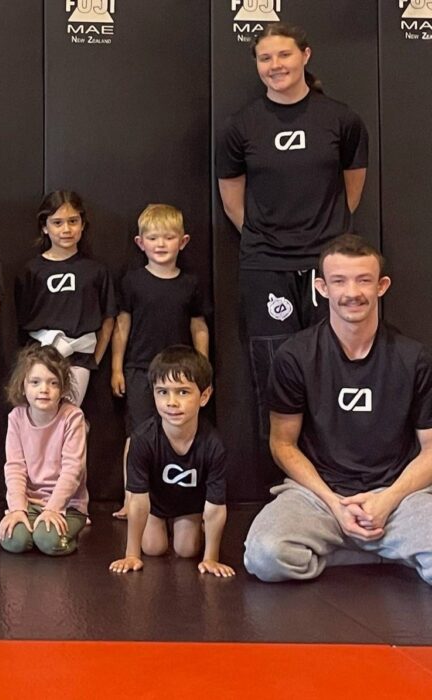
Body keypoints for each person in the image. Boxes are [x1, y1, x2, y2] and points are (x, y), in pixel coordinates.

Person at [244, 235, 432, 585]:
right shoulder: (295, 356)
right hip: (319, 496)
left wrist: (388, 500)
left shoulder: (413, 358)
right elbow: (282, 443)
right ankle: (379, 551)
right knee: (265, 555)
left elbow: (431, 449)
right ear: (322, 287)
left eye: (363, 280)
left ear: (381, 286)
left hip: (397, 496)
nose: (352, 292)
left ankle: (366, 547)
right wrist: (333, 502)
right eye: (339, 281)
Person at [216, 22, 368, 437]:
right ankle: (285, 473)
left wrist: (324, 235)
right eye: (265, 58)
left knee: (335, 358)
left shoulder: (340, 119)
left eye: (284, 55)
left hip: (328, 262)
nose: (275, 65)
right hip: (265, 263)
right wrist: (270, 237)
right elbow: (233, 200)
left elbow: (351, 188)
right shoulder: (240, 127)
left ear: (305, 55)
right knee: (275, 364)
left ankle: (340, 459)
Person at [110, 204, 209, 519]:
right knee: (138, 434)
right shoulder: (132, 281)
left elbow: (199, 326)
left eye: (169, 237)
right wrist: (116, 367)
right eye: (153, 238)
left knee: (180, 434)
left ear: (183, 241)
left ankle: (181, 501)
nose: (161, 244)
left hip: (180, 374)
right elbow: (121, 326)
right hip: (139, 369)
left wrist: (202, 369)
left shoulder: (191, 283)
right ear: (141, 243)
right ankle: (131, 499)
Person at [109, 347, 234, 577]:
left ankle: (194, 526)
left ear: (204, 396)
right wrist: (132, 554)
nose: (172, 402)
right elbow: (137, 500)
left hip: (189, 506)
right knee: (153, 548)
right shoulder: (143, 439)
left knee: (187, 550)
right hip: (155, 505)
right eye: (163, 392)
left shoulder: (213, 444)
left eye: (183, 392)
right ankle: (163, 528)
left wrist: (211, 558)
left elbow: (216, 507)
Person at [14, 190, 115, 406]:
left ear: (83, 224)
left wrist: (93, 360)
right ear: (44, 227)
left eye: (73, 221)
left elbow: (108, 318)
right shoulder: (31, 270)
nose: (66, 229)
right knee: (41, 415)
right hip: (40, 355)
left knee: (69, 417)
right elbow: (20, 321)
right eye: (57, 223)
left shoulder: (96, 270)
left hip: (79, 357)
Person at [0, 345, 88, 556]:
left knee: (47, 541)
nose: (44, 390)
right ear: (23, 386)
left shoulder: (72, 417)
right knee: (14, 541)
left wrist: (53, 509)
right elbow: (15, 467)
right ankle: (34, 524)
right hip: (31, 502)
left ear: (63, 388)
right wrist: (18, 509)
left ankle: (68, 535)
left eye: (53, 383)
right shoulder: (16, 417)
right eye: (35, 382)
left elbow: (72, 469)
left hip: (68, 505)